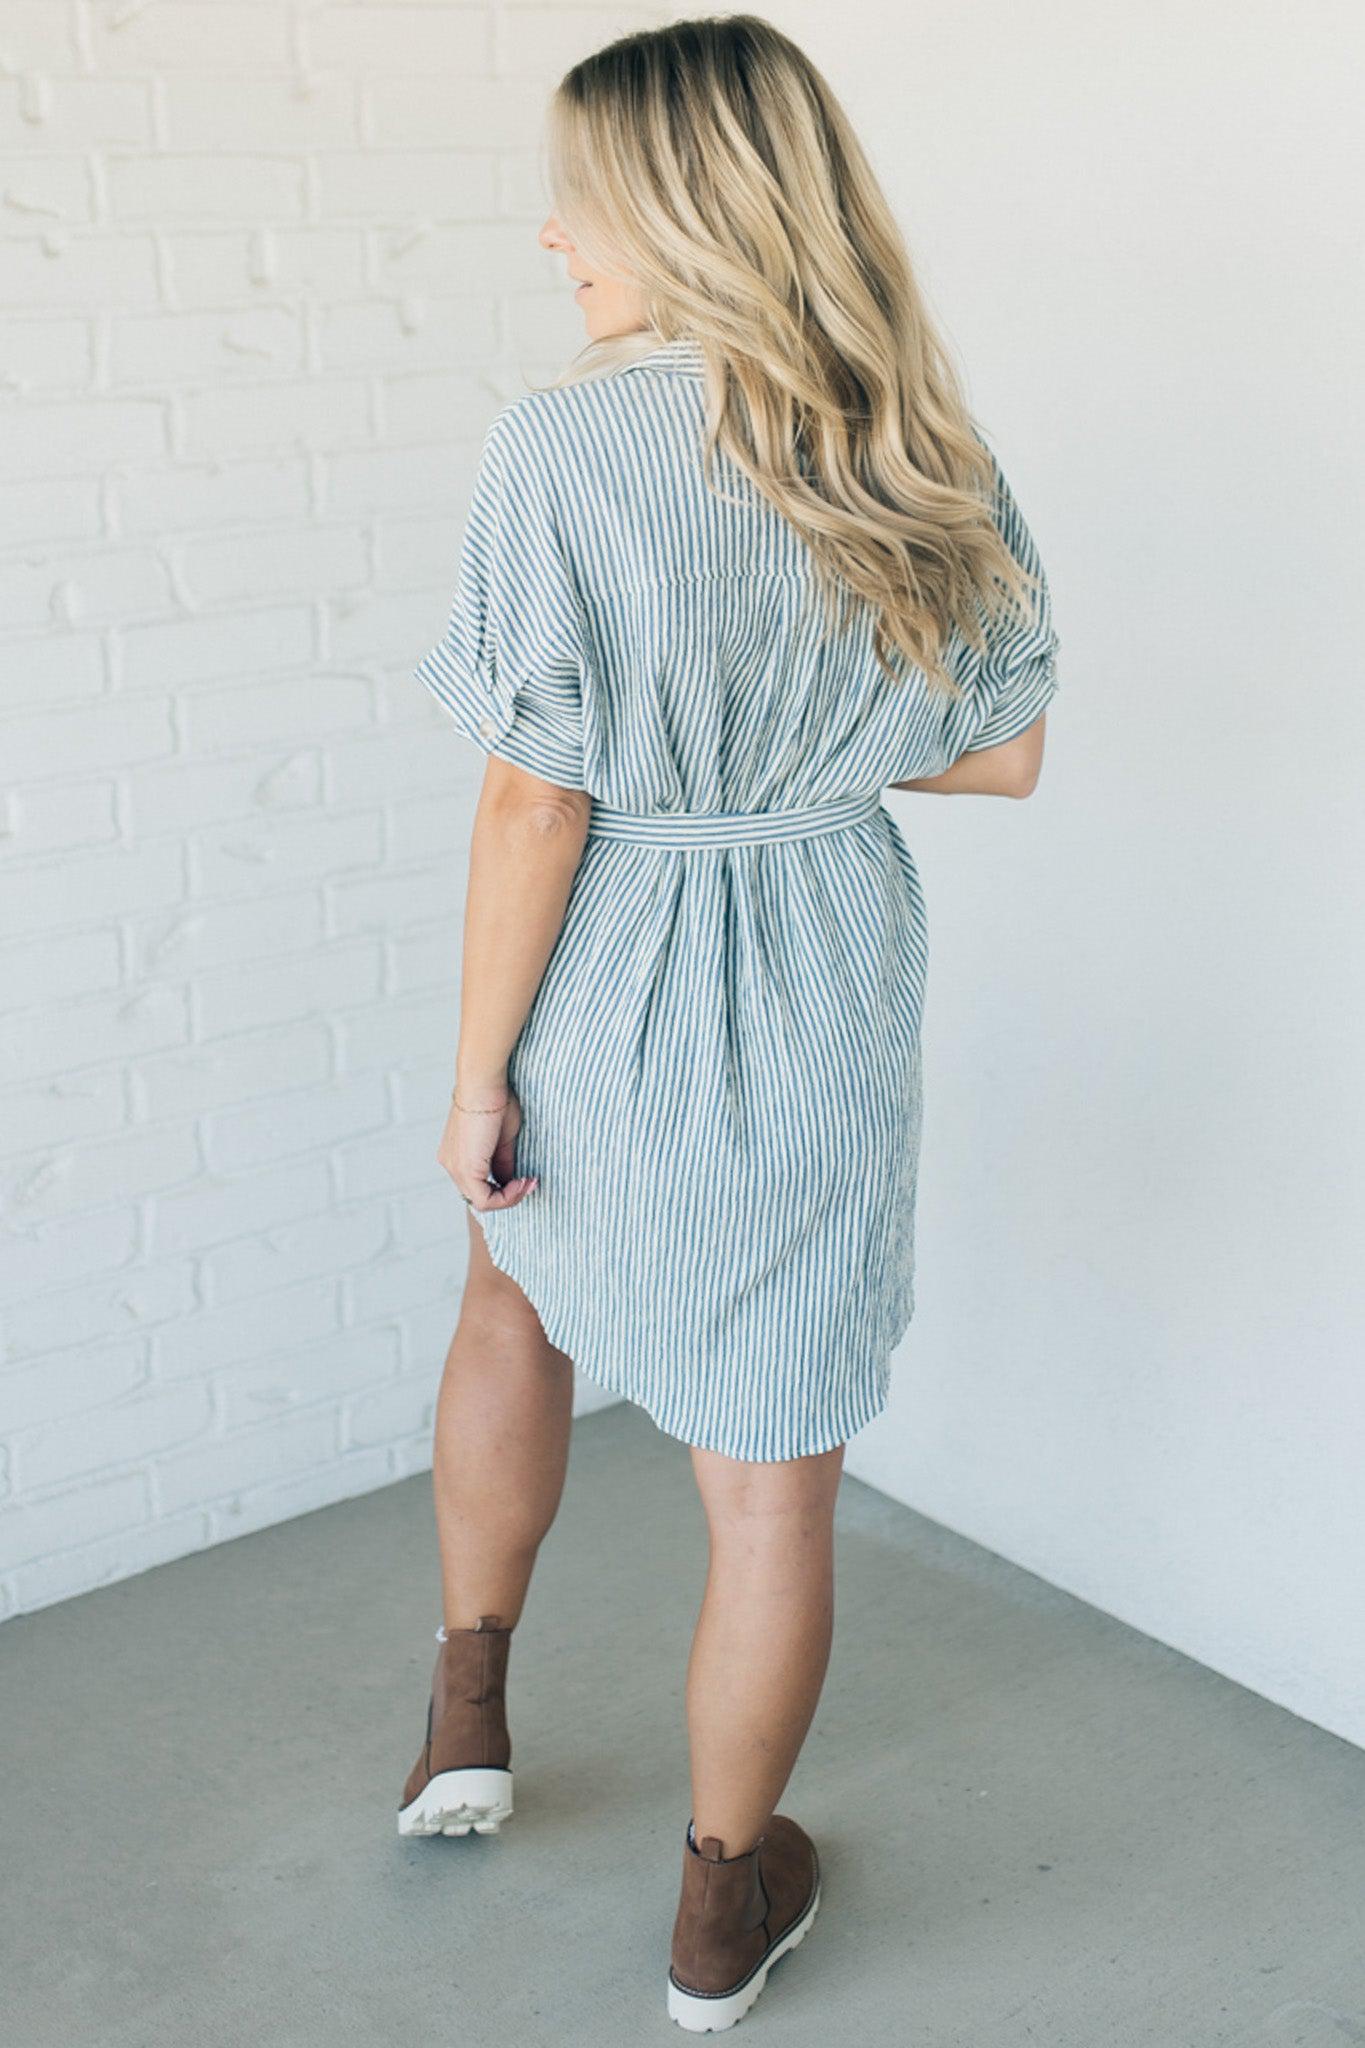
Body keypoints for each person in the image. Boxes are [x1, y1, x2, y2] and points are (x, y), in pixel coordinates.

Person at [396, 13, 1060, 2032]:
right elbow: (1004, 756)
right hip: (817, 958)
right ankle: (715, 1906)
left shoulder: (558, 444)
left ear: (679, 210)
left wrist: (474, 1071)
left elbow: (535, 792)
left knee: (514, 1294)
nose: (550, 235)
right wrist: (798, 749)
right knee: (770, 1472)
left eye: (579, 201)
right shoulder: (907, 434)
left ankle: (464, 1713)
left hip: (607, 954)